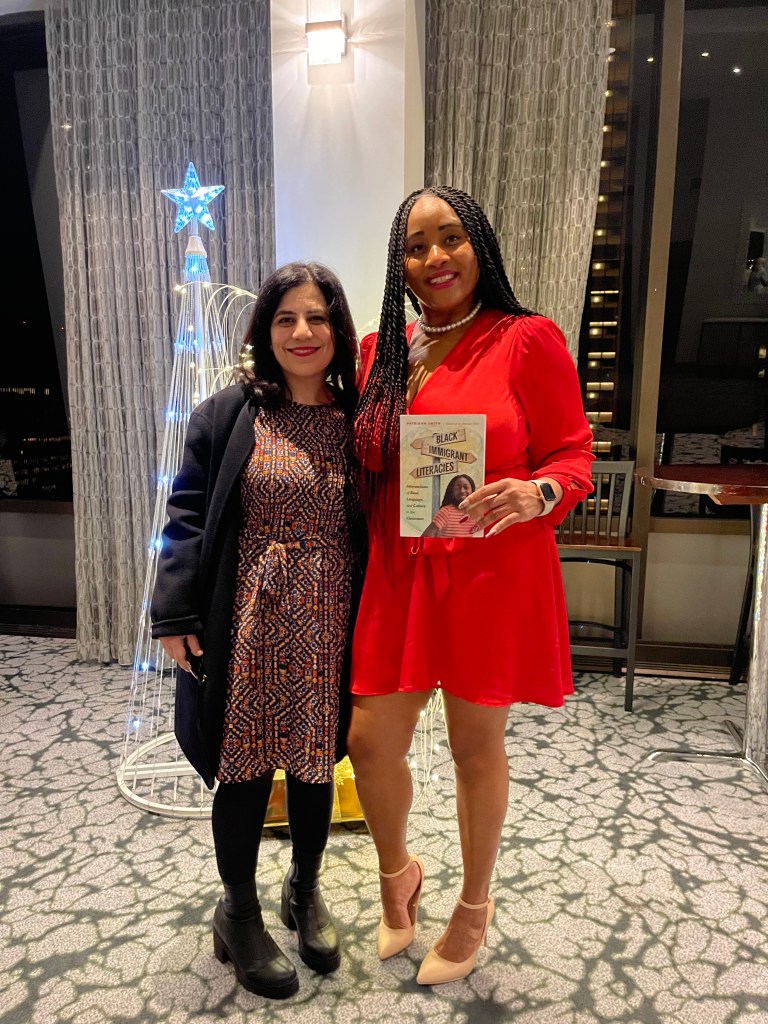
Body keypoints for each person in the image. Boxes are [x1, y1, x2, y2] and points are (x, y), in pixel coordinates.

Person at [348, 186, 594, 986]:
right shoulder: (380, 351)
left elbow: (573, 453)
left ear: (479, 245)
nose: (435, 257)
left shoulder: (526, 340)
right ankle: (398, 875)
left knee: (473, 746)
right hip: (399, 571)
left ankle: (474, 906)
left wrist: (539, 491)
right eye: (416, 246)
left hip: (487, 570)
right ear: (402, 266)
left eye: (450, 238)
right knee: (369, 742)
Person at [150, 261, 364, 1000]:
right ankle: (237, 911)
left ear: (337, 329)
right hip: (247, 619)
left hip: (330, 617)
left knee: (314, 765)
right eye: (286, 318)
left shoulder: (358, 419)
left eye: (317, 317)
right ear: (265, 331)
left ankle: (304, 891)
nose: (303, 332)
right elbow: (185, 515)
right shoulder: (227, 413)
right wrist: (174, 613)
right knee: (243, 767)